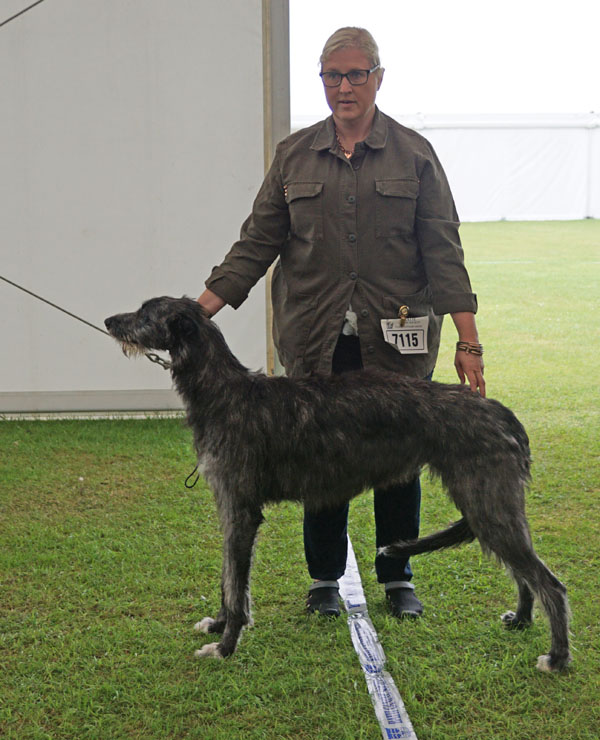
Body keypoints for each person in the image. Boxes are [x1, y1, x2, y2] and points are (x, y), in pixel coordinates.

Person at [196, 27, 485, 619]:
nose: (344, 87)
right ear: (322, 80)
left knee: (399, 453)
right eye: (333, 75)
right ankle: (324, 577)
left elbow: (443, 251)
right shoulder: (294, 155)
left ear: (379, 77)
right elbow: (256, 244)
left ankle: (397, 574)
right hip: (314, 334)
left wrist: (469, 341)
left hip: (397, 337)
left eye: (356, 74)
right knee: (316, 456)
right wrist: (198, 310)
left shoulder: (416, 154)